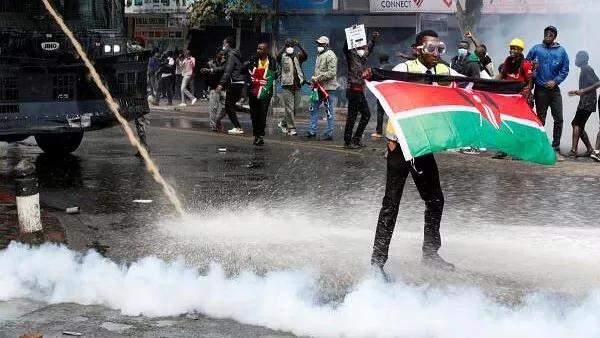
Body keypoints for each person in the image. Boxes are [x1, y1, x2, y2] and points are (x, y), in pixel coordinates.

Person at [373, 30, 461, 277]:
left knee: (435, 200)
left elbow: (473, 84)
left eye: (440, 49)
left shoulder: (444, 71)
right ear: (417, 50)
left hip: (422, 145)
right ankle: (377, 263)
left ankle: (430, 254)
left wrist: (512, 86)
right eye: (431, 49)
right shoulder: (405, 67)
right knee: (391, 204)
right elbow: (387, 84)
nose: (436, 54)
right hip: (400, 144)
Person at [527, 25, 569, 159]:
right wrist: (532, 70)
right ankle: (540, 146)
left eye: (551, 34)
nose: (548, 35)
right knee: (540, 119)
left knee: (559, 118)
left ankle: (555, 146)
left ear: (555, 37)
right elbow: (526, 65)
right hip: (540, 90)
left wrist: (556, 81)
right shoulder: (536, 49)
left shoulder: (561, 51)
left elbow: (565, 70)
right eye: (546, 33)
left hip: (554, 90)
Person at [493, 38, 535, 159]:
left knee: (518, 125)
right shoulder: (508, 61)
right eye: (511, 48)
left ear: (521, 50)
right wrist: (489, 84)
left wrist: (525, 99)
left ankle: (519, 151)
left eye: (515, 48)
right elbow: (502, 75)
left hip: (520, 98)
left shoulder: (525, 64)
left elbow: (529, 83)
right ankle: (503, 149)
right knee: (504, 123)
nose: (512, 50)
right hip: (507, 97)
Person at [343, 31, 379, 149]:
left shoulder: (362, 56)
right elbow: (346, 48)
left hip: (359, 90)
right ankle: (348, 142)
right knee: (352, 116)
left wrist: (373, 39)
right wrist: (350, 36)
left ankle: (356, 139)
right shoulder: (351, 54)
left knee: (366, 115)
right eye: (361, 45)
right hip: (353, 89)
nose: (364, 47)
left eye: (364, 45)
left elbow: (369, 48)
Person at [567, 51, 600, 161]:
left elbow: (598, 83)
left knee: (576, 124)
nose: (575, 60)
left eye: (577, 58)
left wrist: (583, 91)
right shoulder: (585, 69)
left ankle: (573, 151)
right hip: (586, 101)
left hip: (587, 102)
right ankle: (590, 150)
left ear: (583, 59)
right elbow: (588, 86)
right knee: (580, 126)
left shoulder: (587, 68)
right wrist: (576, 92)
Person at [306, 36, 338, 140]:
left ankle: (329, 134)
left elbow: (332, 73)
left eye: (321, 44)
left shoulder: (331, 55)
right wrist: (313, 82)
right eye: (318, 44)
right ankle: (312, 131)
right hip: (318, 88)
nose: (318, 46)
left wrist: (318, 78)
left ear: (326, 45)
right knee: (313, 109)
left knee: (329, 112)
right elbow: (317, 72)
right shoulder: (319, 55)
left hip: (328, 88)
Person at [247, 42, 277, 146]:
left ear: (266, 50)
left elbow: (275, 75)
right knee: (254, 115)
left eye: (261, 49)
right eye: (258, 48)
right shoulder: (252, 60)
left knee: (262, 113)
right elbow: (245, 71)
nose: (258, 50)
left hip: (266, 92)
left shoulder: (272, 61)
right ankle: (256, 134)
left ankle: (260, 135)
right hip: (253, 91)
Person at [277, 38, 307, 136]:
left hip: (298, 86)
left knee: (295, 109)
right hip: (287, 86)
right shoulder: (282, 57)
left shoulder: (298, 56)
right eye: (288, 46)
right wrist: (284, 47)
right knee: (289, 108)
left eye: (291, 45)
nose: (290, 47)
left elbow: (306, 55)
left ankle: (283, 123)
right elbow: (277, 56)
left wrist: (299, 45)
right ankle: (291, 128)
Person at [217, 37, 245, 135]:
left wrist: (221, 84)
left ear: (228, 44)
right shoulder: (234, 54)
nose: (223, 45)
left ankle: (238, 127)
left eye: (223, 43)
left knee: (229, 106)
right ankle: (235, 126)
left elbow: (228, 70)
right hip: (238, 82)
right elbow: (224, 67)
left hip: (235, 83)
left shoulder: (231, 54)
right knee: (230, 106)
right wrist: (211, 70)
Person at [202, 51, 227, 132]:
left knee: (227, 107)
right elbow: (205, 76)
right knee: (213, 108)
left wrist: (210, 70)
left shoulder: (226, 63)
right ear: (217, 55)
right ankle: (213, 125)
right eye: (221, 54)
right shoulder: (210, 63)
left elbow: (223, 71)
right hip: (214, 89)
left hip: (224, 88)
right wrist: (206, 88)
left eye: (224, 55)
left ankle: (217, 121)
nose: (223, 56)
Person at [372, 54, 395, 139]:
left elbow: (377, 81)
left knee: (380, 112)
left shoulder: (380, 69)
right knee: (392, 113)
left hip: (382, 93)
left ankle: (379, 132)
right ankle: (393, 132)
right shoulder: (394, 67)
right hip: (392, 93)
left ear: (381, 61)